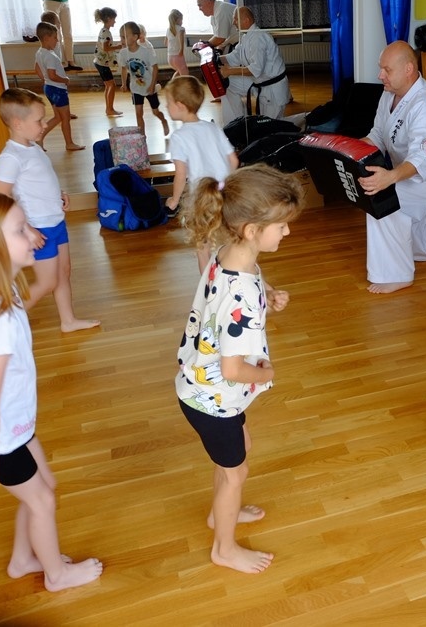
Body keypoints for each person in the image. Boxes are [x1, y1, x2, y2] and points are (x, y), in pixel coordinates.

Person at [0, 190, 103, 592]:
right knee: (41, 500)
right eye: (20, 229)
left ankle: (22, 559)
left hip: (12, 425)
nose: (33, 235)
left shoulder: (1, 291)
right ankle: (57, 575)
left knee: (44, 488)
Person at [175, 164, 304, 573]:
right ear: (251, 230)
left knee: (238, 455)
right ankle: (224, 549)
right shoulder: (241, 294)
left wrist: (269, 292)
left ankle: (221, 514)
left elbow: (241, 286)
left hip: (205, 389)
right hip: (214, 397)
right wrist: (267, 375)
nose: (287, 232)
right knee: (235, 472)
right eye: (281, 226)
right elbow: (232, 369)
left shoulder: (230, 254)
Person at [0, 88, 99, 333]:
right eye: (39, 120)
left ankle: (68, 321)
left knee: (63, 272)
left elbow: (40, 181)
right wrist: (26, 229)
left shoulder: (33, 147)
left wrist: (59, 193)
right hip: (38, 228)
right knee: (47, 281)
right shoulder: (11, 157)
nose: (44, 124)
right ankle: (0, 322)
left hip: (55, 222)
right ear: (18, 123)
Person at [358, 40, 426, 294]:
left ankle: (397, 275)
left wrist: (390, 178)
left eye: (387, 70)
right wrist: (347, 148)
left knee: (381, 195)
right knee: (423, 247)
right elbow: (377, 136)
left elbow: (422, 158)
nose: (380, 75)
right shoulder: (388, 95)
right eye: (380, 68)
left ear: (408, 69)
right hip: (409, 175)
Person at [163, 75, 239, 271]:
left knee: (202, 247)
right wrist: (225, 184)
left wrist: (174, 200)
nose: (166, 106)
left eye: (168, 103)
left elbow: (181, 174)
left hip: (201, 198)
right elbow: (233, 161)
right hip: (223, 195)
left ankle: (207, 285)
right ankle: (230, 278)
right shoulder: (213, 127)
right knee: (227, 242)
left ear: (180, 105)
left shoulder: (179, 137)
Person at [218, 7, 290, 124]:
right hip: (258, 81)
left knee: (270, 127)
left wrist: (229, 71)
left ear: (246, 20)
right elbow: (234, 56)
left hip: (272, 89)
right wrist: (216, 58)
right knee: (228, 85)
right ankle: (237, 123)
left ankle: (300, 123)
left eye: (236, 19)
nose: (233, 22)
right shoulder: (246, 37)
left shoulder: (258, 38)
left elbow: (256, 70)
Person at [33, 22, 84, 151]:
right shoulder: (50, 56)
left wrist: (45, 80)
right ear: (46, 38)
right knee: (65, 118)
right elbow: (52, 75)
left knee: (58, 117)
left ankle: (39, 137)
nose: (57, 40)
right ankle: (69, 143)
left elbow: (37, 69)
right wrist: (65, 80)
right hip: (58, 90)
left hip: (49, 88)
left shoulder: (40, 52)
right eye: (55, 37)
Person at [117, 21, 170, 136]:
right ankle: (142, 137)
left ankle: (163, 120)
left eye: (124, 37)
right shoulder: (123, 53)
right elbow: (124, 69)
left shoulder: (145, 52)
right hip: (136, 88)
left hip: (149, 86)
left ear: (135, 37)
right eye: (121, 37)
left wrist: (152, 85)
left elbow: (155, 68)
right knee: (138, 114)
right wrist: (124, 84)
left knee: (155, 112)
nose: (121, 39)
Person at [92, 7, 123, 117]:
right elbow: (106, 48)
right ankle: (110, 109)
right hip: (102, 63)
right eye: (114, 19)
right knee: (112, 85)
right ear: (109, 19)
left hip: (100, 62)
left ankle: (109, 109)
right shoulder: (106, 33)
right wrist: (118, 47)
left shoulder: (104, 31)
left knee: (108, 85)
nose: (115, 21)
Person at [165, 9, 190, 77]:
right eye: (181, 19)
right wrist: (181, 50)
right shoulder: (181, 29)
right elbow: (181, 40)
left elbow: (165, 43)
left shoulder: (168, 29)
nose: (182, 22)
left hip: (170, 57)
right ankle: (183, 84)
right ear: (178, 19)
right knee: (185, 74)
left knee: (179, 71)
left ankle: (172, 83)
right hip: (178, 56)